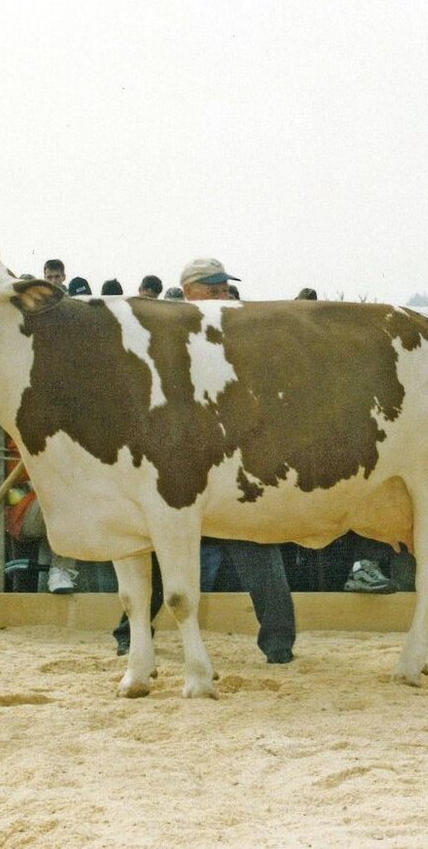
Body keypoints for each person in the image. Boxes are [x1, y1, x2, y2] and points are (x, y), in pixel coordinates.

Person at [176, 258, 295, 661]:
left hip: (236, 464)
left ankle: (279, 645)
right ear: (189, 290)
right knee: (166, 555)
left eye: (226, 288)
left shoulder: (243, 331)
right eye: (214, 289)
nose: (223, 295)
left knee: (259, 550)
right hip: (185, 464)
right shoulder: (168, 333)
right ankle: (127, 636)